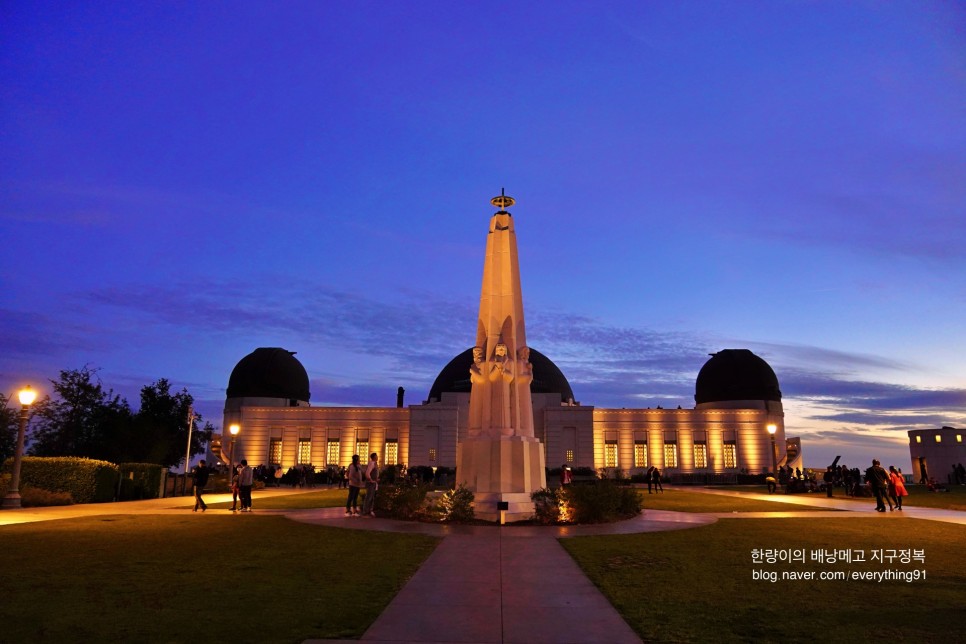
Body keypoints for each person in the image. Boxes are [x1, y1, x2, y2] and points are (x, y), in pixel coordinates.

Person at [362, 452, 379, 517]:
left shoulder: (375, 464)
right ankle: (366, 511)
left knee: (372, 497)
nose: (377, 457)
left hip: (374, 483)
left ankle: (369, 510)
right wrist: (371, 480)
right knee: (369, 497)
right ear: (374, 457)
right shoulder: (371, 464)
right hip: (371, 483)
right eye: (376, 456)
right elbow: (367, 473)